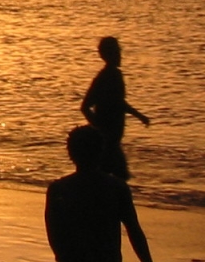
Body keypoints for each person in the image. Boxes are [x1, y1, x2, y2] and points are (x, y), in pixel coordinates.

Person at [45, 125, 153, 262]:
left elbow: (55, 235)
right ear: (101, 151)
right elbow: (134, 230)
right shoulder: (116, 187)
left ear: (70, 153)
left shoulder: (58, 189)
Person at [81, 36, 150, 180]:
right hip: (109, 140)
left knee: (112, 177)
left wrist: (139, 116)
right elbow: (86, 106)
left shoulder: (111, 75)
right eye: (117, 51)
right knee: (118, 177)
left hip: (111, 139)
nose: (120, 54)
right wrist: (100, 129)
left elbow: (118, 102)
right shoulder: (108, 76)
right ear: (109, 54)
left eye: (119, 50)